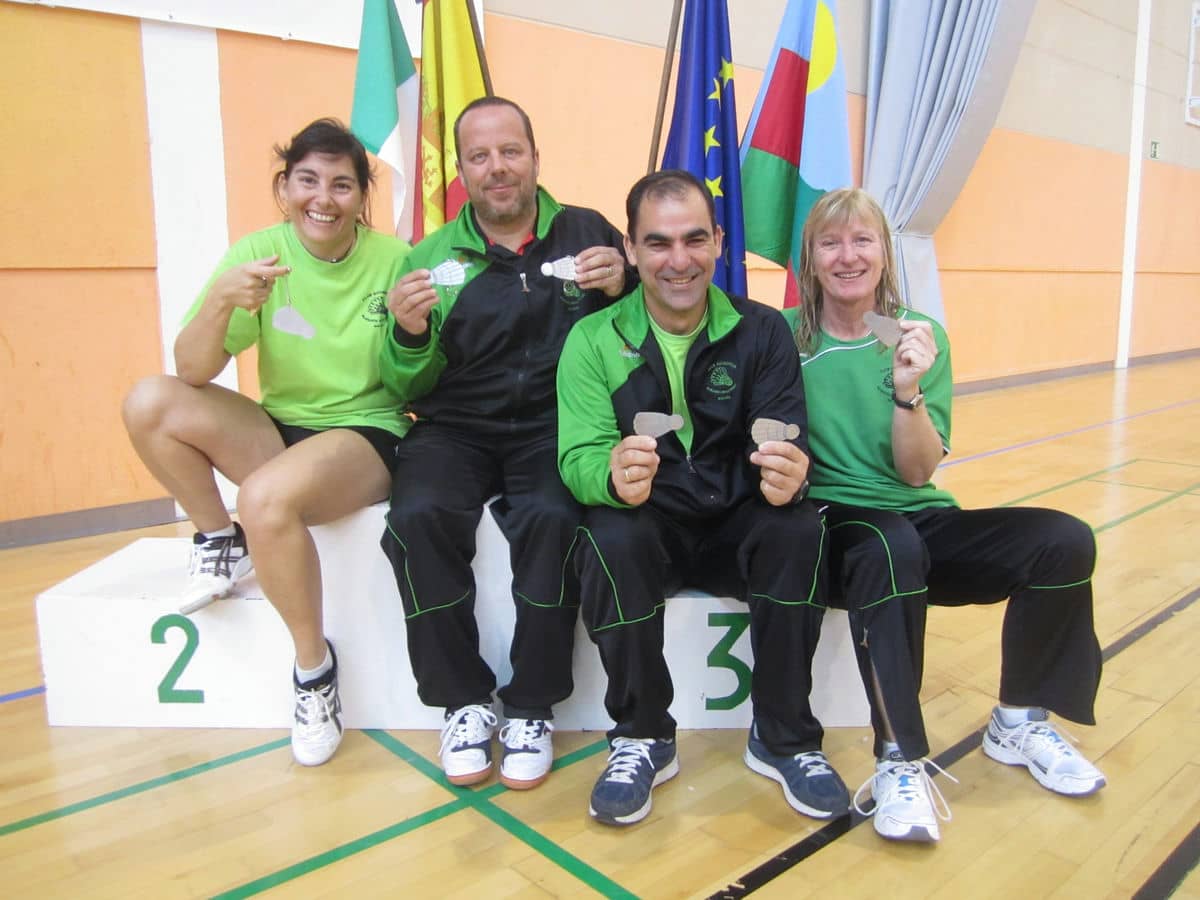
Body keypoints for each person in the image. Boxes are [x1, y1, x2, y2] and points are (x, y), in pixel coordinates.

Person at [789, 187, 1105, 843]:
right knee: (891, 543)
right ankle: (899, 756)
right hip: (840, 527)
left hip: (916, 517)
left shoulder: (916, 338)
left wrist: (909, 394)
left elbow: (916, 472)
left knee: (1062, 542)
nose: (848, 256)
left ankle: (1019, 721)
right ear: (810, 259)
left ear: (883, 252)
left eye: (862, 240)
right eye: (831, 242)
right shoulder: (789, 341)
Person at [557, 170, 849, 827]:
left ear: (720, 241)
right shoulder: (592, 339)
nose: (679, 260)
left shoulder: (763, 331)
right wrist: (609, 475)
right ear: (629, 250)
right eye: (657, 243)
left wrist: (789, 470)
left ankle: (784, 735)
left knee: (797, 526)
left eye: (695, 239)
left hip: (734, 523)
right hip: (651, 520)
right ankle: (642, 736)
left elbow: (788, 435)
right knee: (609, 534)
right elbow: (576, 455)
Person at [122, 118, 410, 767]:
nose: (323, 198)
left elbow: (427, 368)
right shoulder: (260, 251)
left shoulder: (395, 261)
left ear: (363, 196)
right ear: (285, 187)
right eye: (307, 180)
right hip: (280, 426)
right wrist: (223, 301)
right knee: (148, 401)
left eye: (342, 184)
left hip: (366, 431)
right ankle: (217, 538)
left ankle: (314, 674)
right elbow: (192, 371)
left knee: (265, 497)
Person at [378, 97, 631, 791]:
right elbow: (405, 377)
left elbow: (638, 330)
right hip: (453, 428)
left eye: (510, 151)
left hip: (555, 425)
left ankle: (530, 705)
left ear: (535, 156)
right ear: (461, 170)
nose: (497, 168)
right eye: (480, 156)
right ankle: (462, 702)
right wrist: (405, 334)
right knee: (416, 518)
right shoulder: (429, 257)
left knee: (555, 518)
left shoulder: (587, 232)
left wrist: (625, 285)